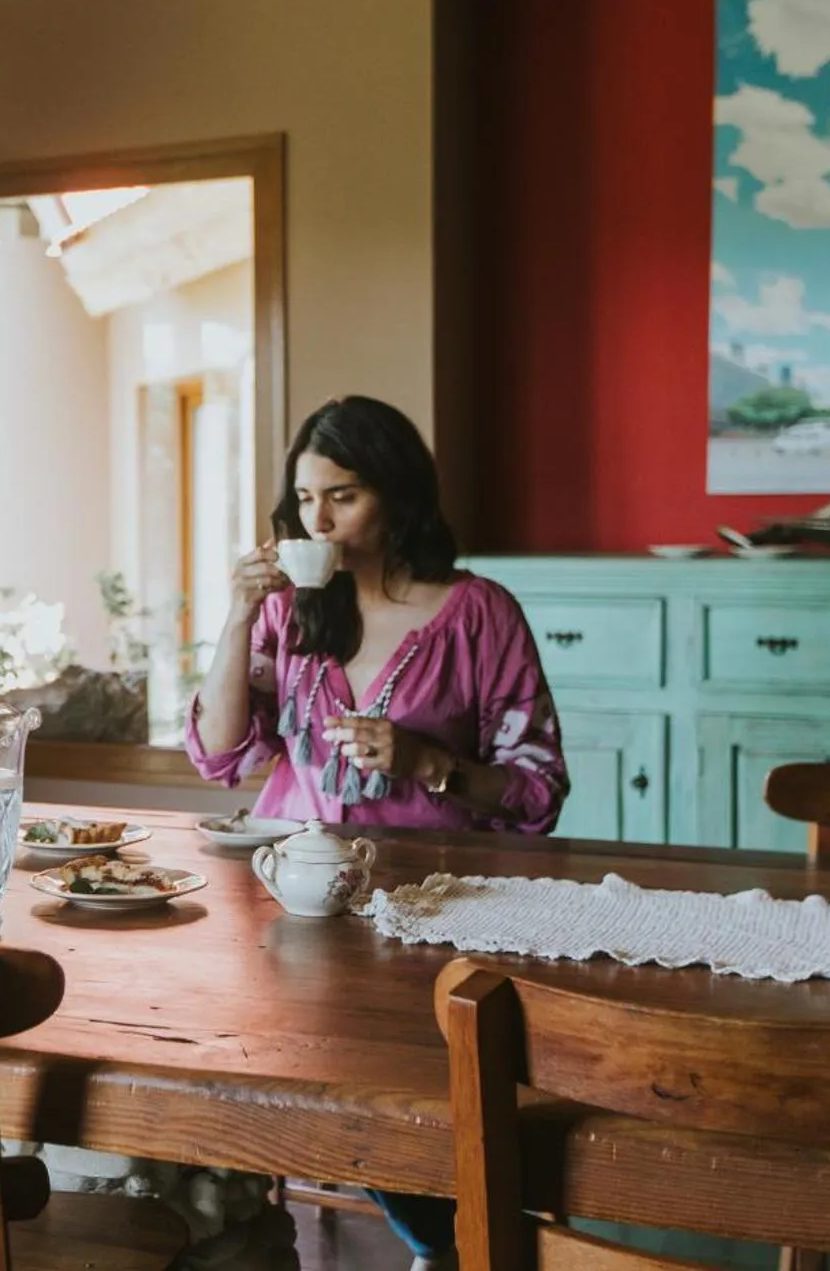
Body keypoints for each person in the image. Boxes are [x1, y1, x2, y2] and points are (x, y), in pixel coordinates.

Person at [186, 394, 569, 1269]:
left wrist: (431, 763)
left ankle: (450, 1236)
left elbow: (539, 788)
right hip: (294, 908)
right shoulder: (290, 614)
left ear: (397, 494)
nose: (317, 519)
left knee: (420, 1105)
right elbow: (219, 754)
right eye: (304, 499)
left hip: (435, 913)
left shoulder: (480, 614)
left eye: (342, 496)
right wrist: (240, 614)